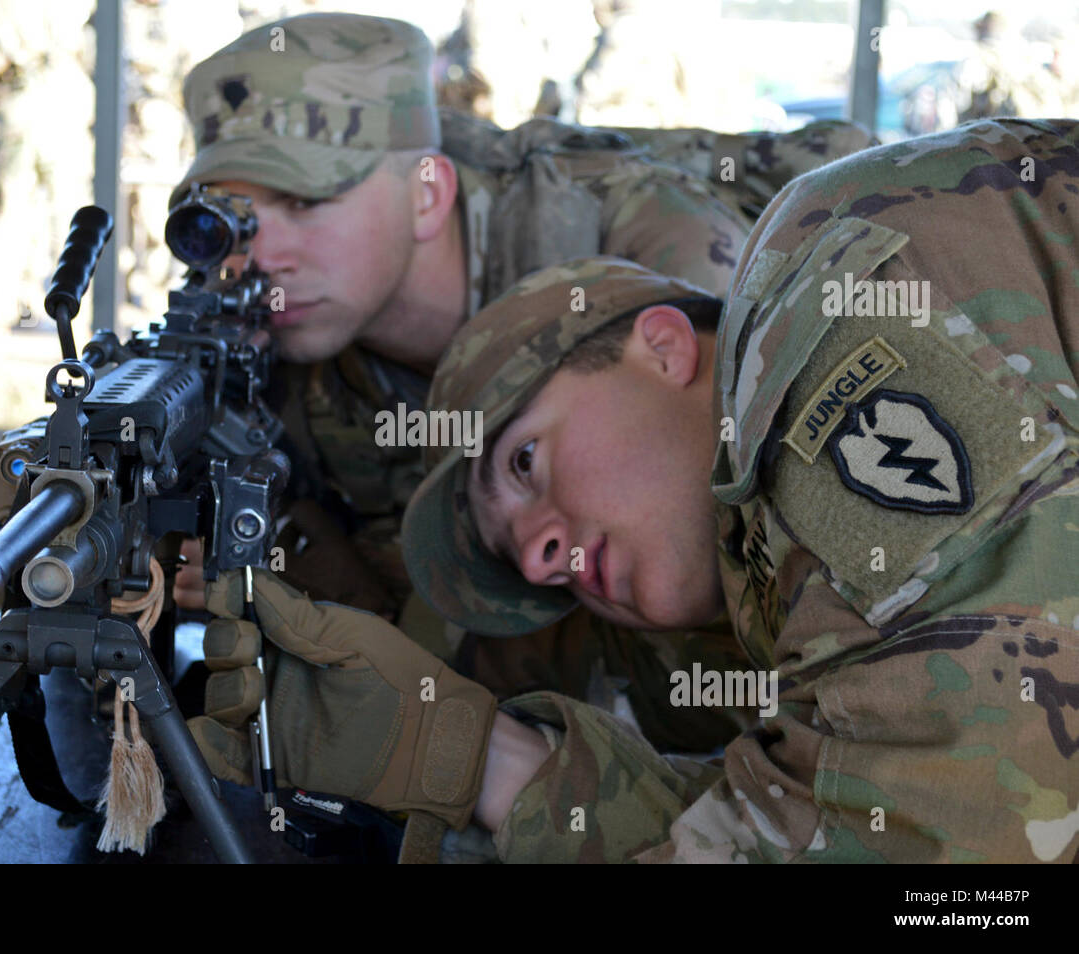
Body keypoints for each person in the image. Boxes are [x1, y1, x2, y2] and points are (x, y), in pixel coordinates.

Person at [188, 117, 1079, 862]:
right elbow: (829, 819)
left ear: (664, 348)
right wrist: (470, 757)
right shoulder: (759, 582)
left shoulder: (814, 317)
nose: (541, 558)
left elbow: (958, 856)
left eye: (526, 463)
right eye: (515, 556)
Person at [167, 12, 868, 743]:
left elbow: (731, 588)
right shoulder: (267, 344)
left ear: (426, 194)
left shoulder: (660, 257)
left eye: (304, 203)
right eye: (232, 219)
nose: (258, 256)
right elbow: (419, 593)